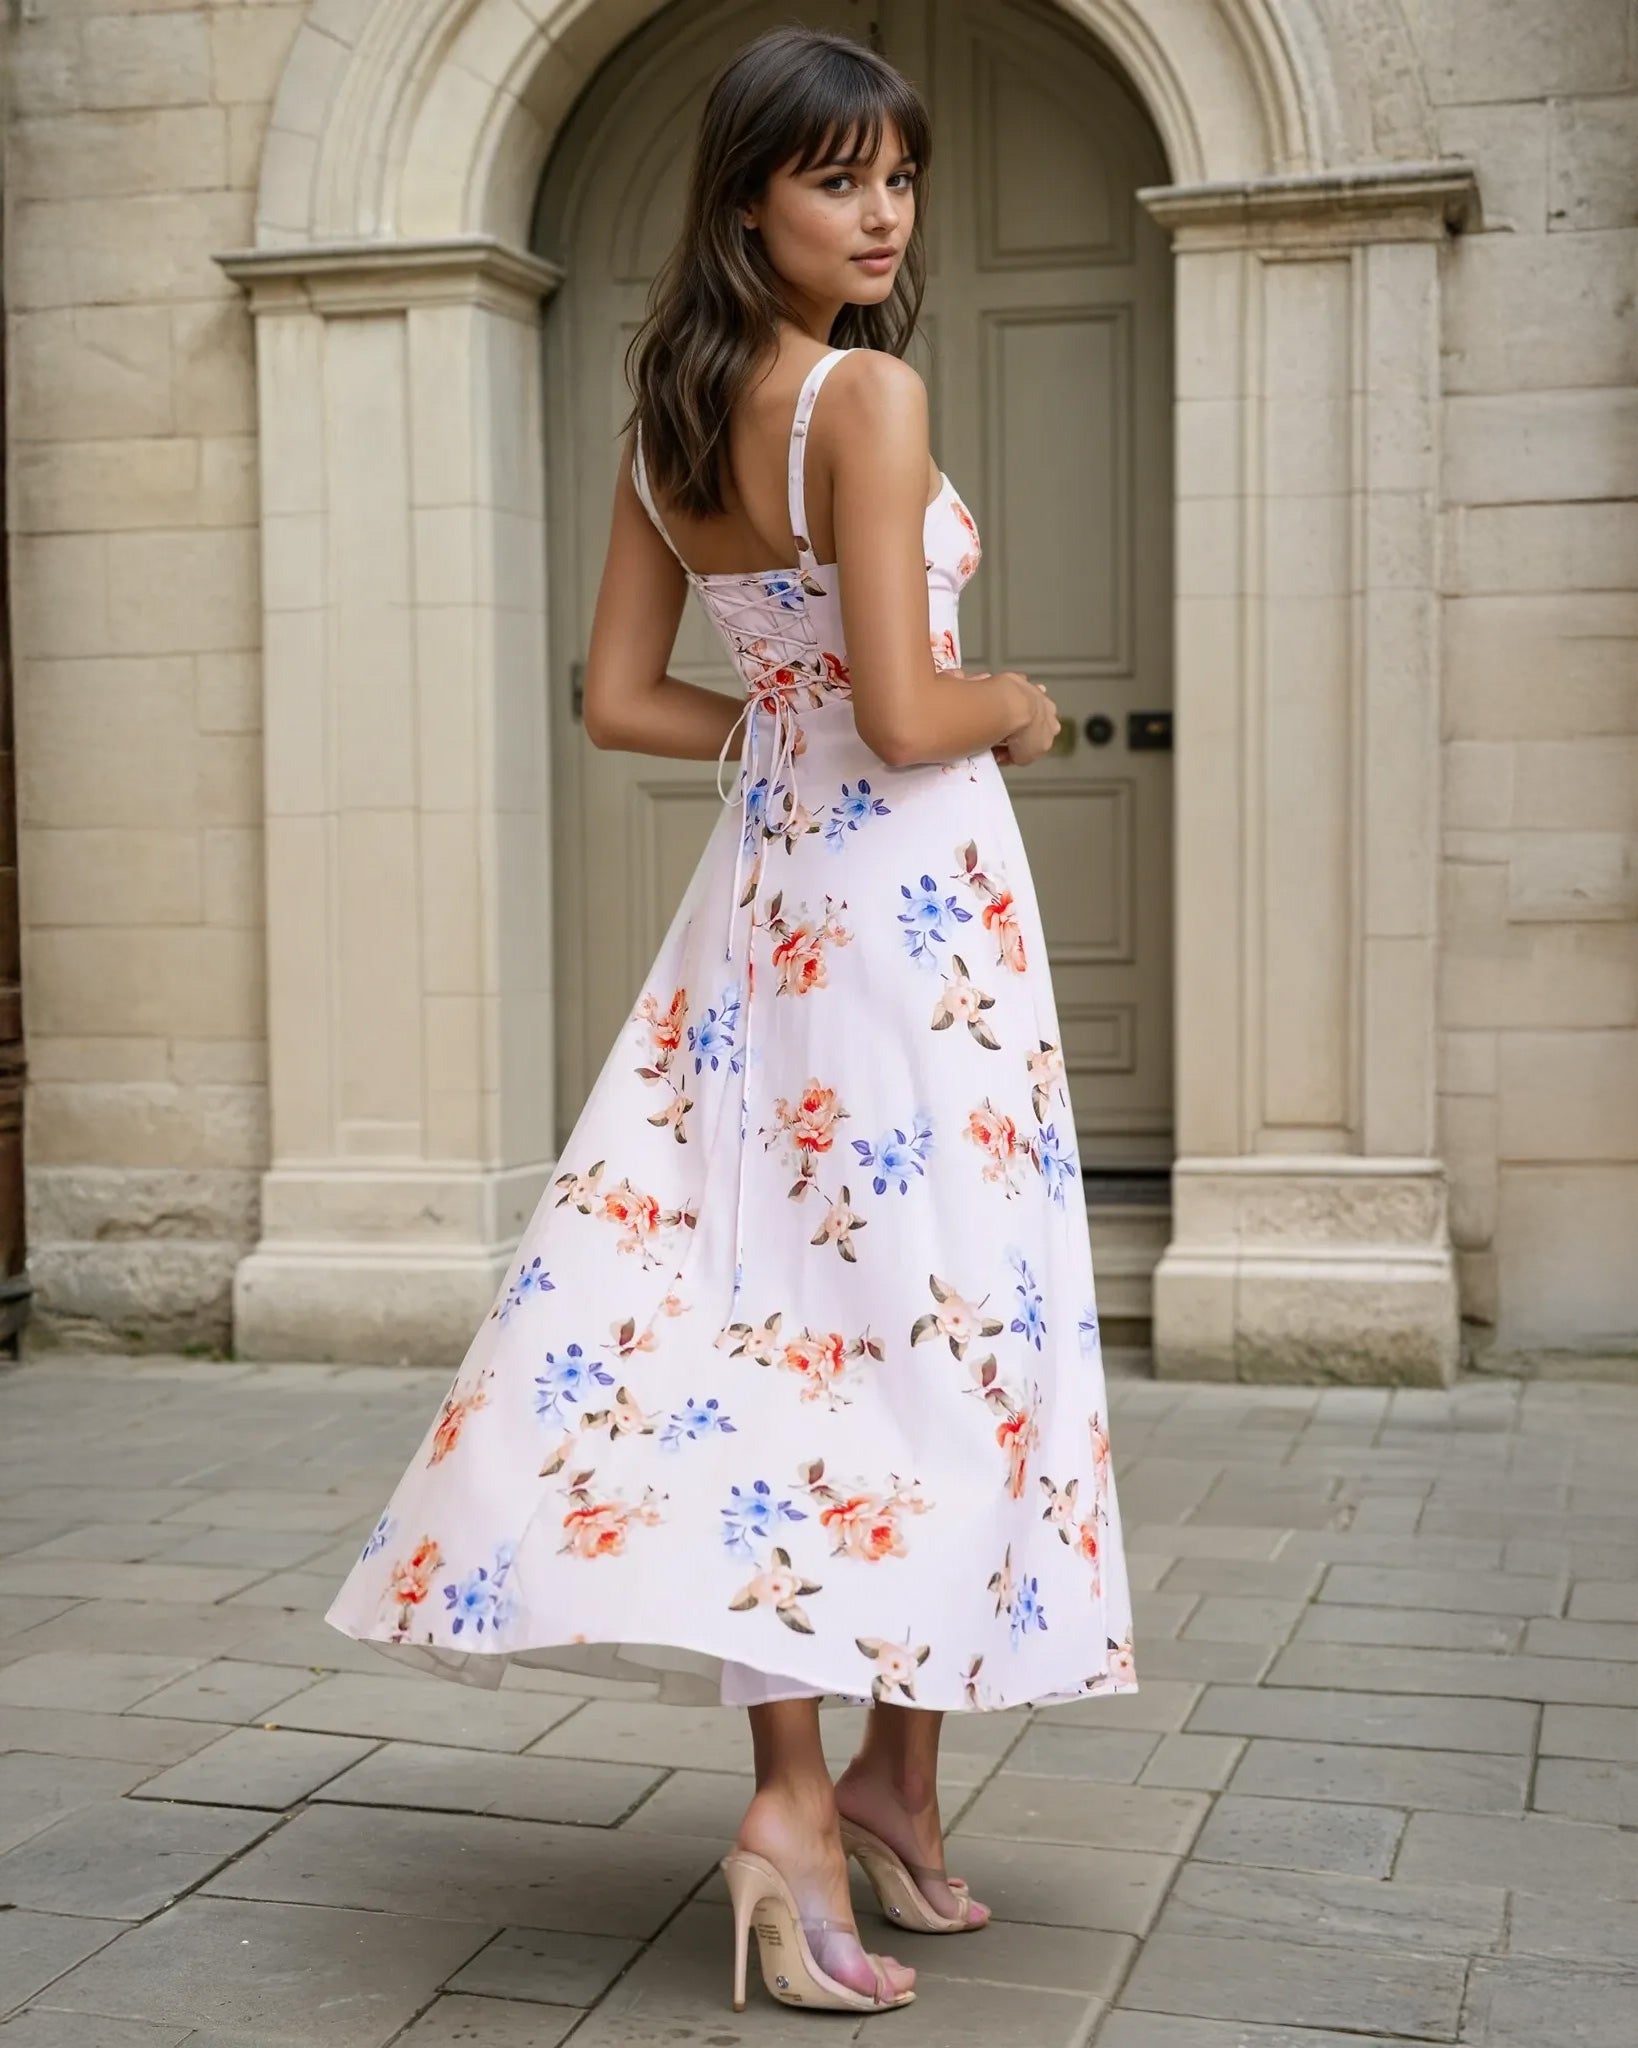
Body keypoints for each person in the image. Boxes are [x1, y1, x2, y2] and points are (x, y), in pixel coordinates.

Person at [326, 22, 1135, 2016]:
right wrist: (1020, 703)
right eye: (838, 178)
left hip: (767, 910)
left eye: (901, 176)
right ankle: (805, 1810)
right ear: (748, 199)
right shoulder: (864, 395)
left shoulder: (672, 414)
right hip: (907, 918)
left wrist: (776, 731)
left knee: (788, 1314)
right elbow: (912, 711)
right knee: (939, 1321)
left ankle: (866, 1787)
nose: (880, 213)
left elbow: (625, 697)